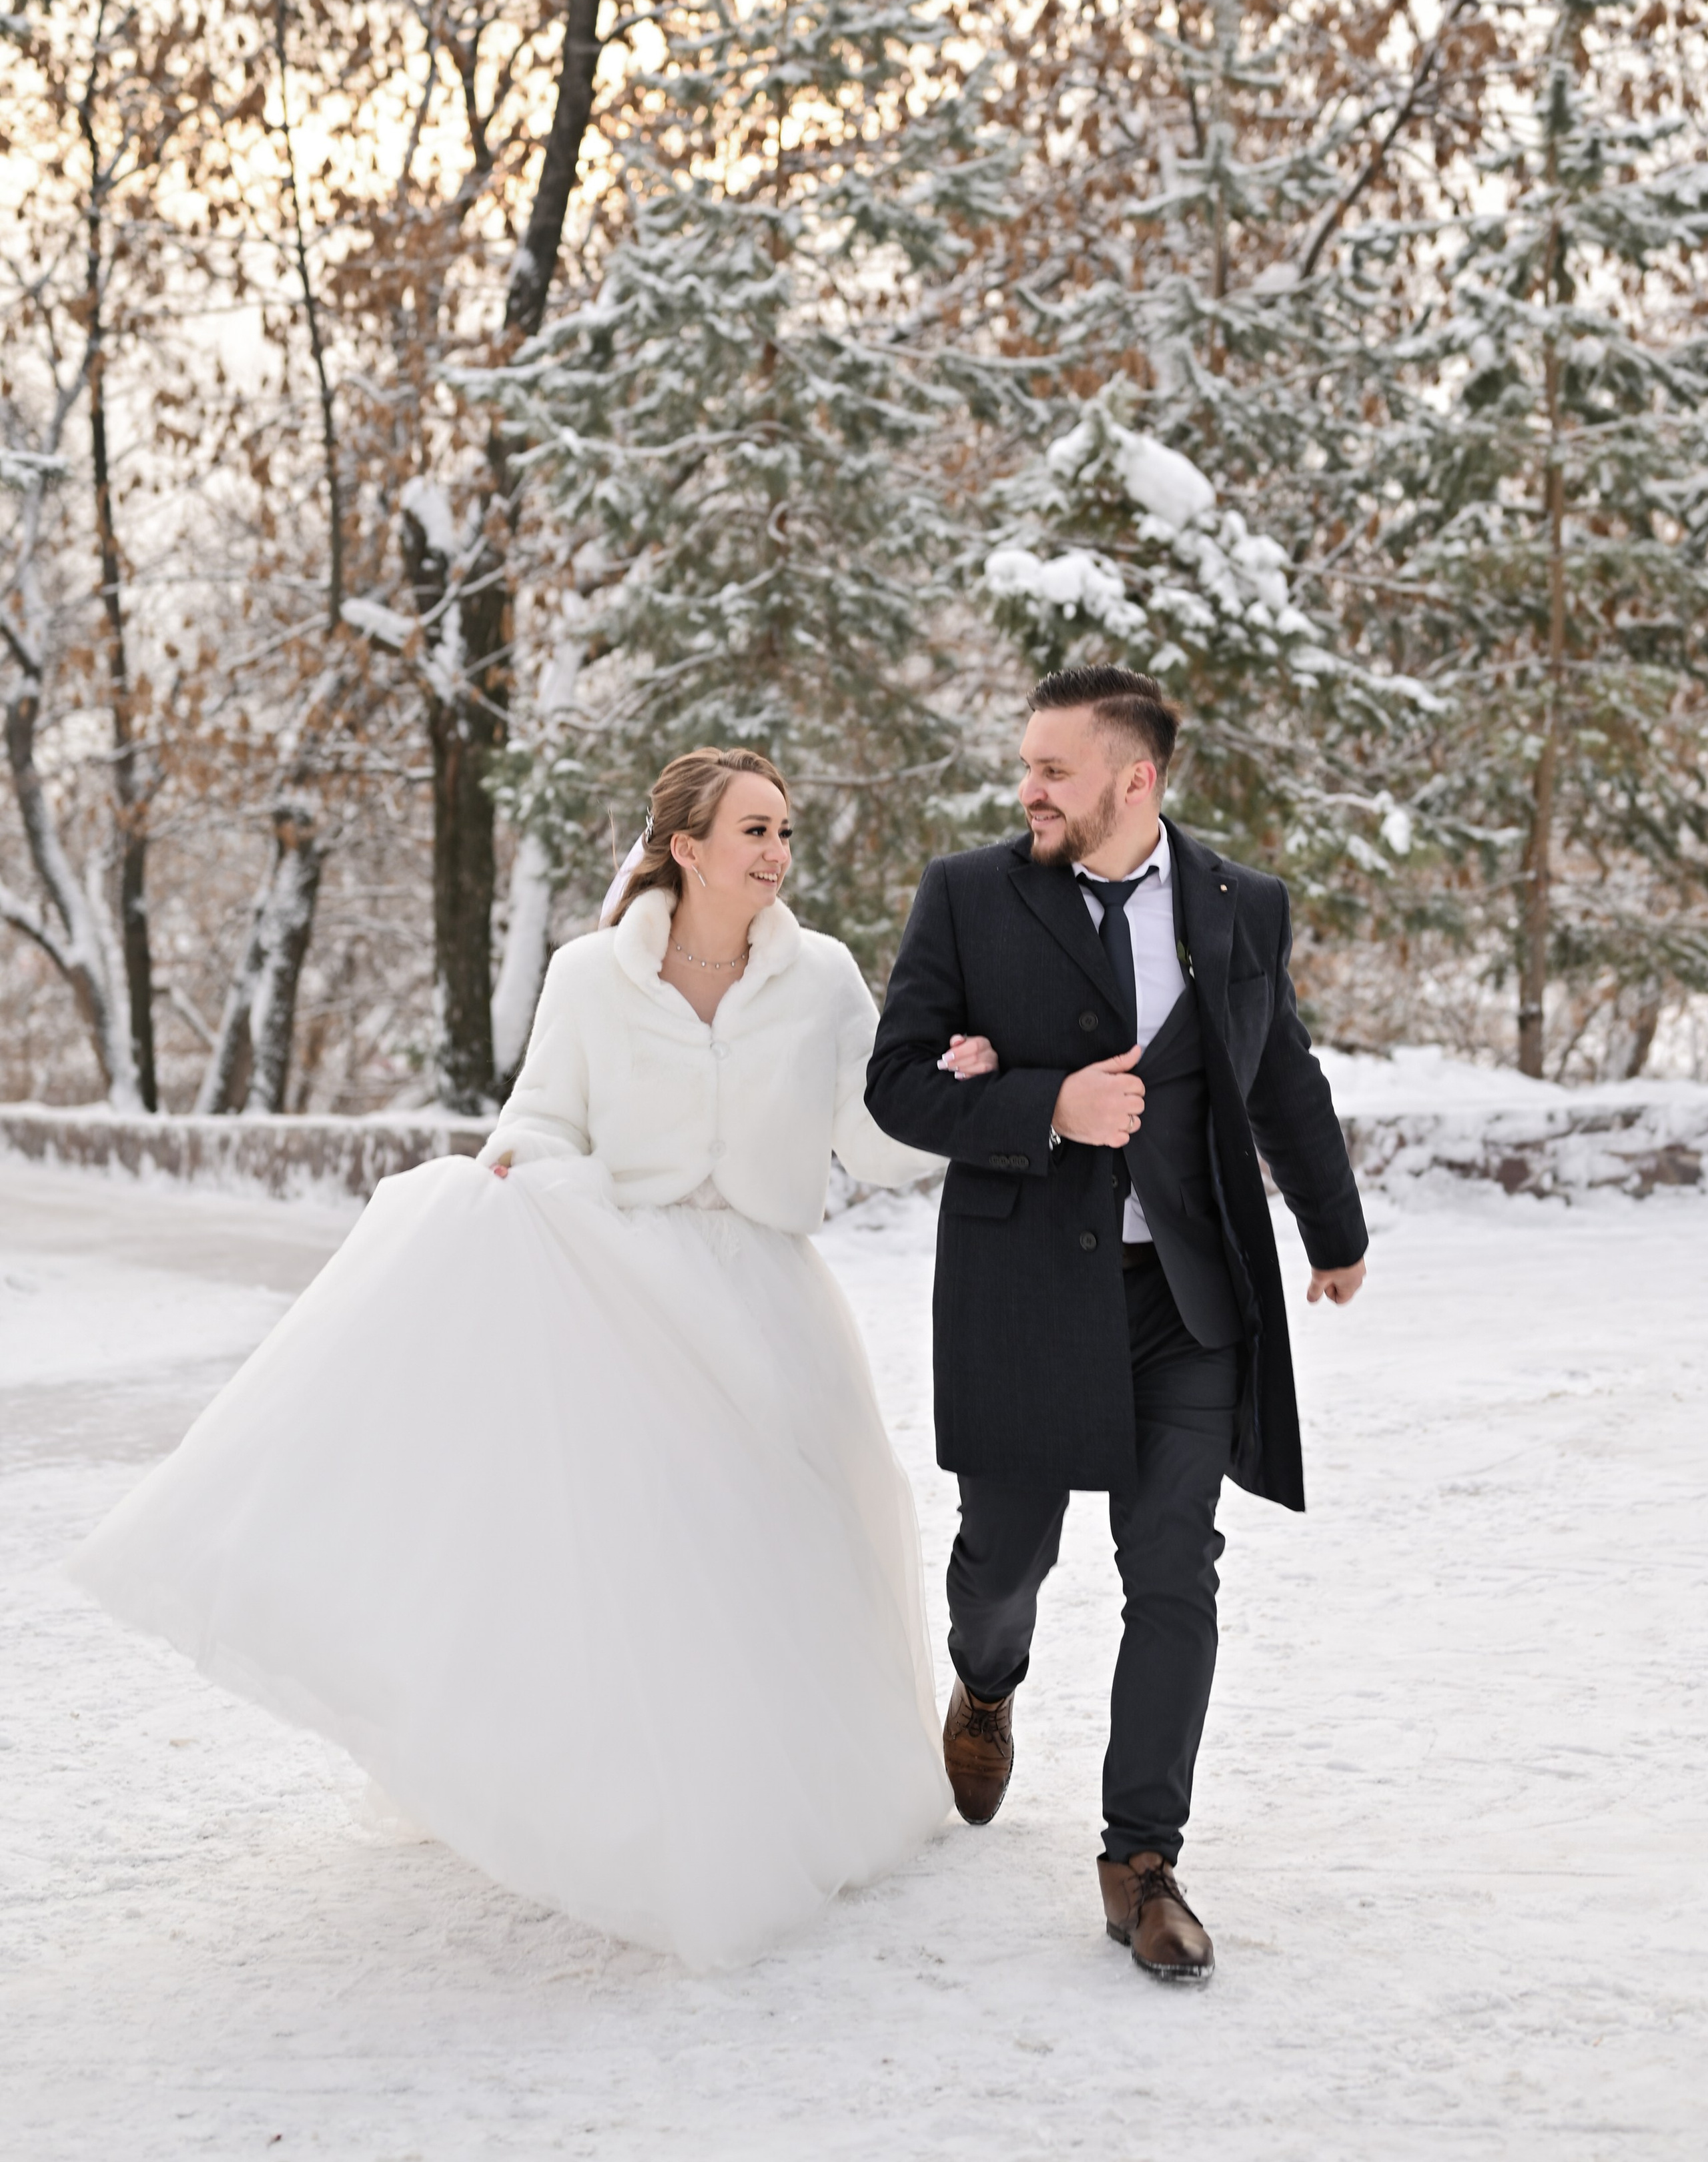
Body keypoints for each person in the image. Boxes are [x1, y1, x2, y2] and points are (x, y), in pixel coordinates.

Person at [71, 746, 989, 1971]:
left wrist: (947, 1094)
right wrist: (520, 1169)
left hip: (769, 1296)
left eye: (785, 833)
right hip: (628, 1285)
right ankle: (652, 1812)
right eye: (756, 831)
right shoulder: (589, 978)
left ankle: (809, 1802)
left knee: (800, 1546)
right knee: (659, 1558)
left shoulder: (818, 978)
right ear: (685, 845)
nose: (777, 853)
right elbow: (545, 1113)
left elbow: (867, 1143)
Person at [865, 666, 1368, 1985]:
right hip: (1025, 1293)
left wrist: (1335, 1230)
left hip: (1183, 1299)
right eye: (1022, 764)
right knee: (1004, 1560)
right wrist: (1041, 1106)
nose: (1023, 788)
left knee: (1172, 1570)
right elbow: (895, 1087)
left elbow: (1278, 1072)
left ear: (1132, 780)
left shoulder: (1236, 906)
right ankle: (985, 1681)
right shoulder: (967, 895)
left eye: (1051, 769)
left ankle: (1140, 1859)